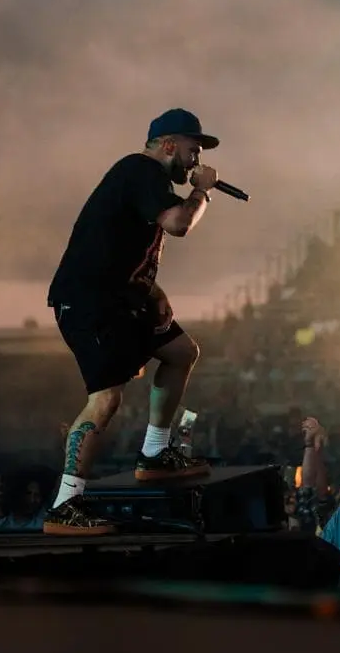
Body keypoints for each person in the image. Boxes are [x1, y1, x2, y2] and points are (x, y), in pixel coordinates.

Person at [42, 109, 221, 536]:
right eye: (192, 150)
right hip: (91, 304)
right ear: (169, 145)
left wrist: (153, 292)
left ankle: (154, 454)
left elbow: (119, 247)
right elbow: (178, 224)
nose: (195, 161)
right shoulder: (141, 170)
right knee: (105, 399)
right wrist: (202, 194)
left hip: (121, 300)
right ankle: (65, 505)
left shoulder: (142, 178)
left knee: (181, 352)